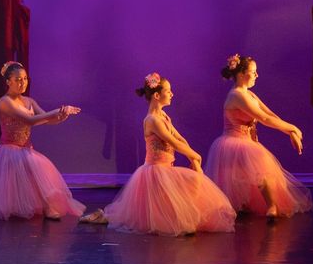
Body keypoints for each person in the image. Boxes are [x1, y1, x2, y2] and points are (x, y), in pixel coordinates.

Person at [82, 73, 235, 235]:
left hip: (167, 169)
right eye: (168, 91)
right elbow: (173, 142)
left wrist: (192, 155)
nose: (172, 94)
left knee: (193, 184)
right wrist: (195, 155)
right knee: (166, 217)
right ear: (156, 95)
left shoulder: (163, 116)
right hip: (155, 171)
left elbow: (179, 138)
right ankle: (104, 217)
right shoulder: (152, 120)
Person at [0, 61, 84, 220]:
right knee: (18, 177)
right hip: (8, 150)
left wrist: (61, 117)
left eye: (24, 79)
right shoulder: (4, 101)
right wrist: (57, 110)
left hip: (26, 148)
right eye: (18, 79)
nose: (22, 83)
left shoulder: (29, 101)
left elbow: (46, 120)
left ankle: (47, 207)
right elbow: (31, 121)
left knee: (37, 171)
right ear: (8, 81)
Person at [204, 53, 311, 218]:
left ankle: (268, 205)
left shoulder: (249, 94)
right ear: (241, 74)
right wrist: (294, 128)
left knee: (257, 167)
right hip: (233, 141)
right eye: (253, 72)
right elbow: (264, 119)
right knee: (258, 163)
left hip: (247, 140)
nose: (256, 75)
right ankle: (269, 206)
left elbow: (270, 114)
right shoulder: (236, 95)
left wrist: (290, 132)